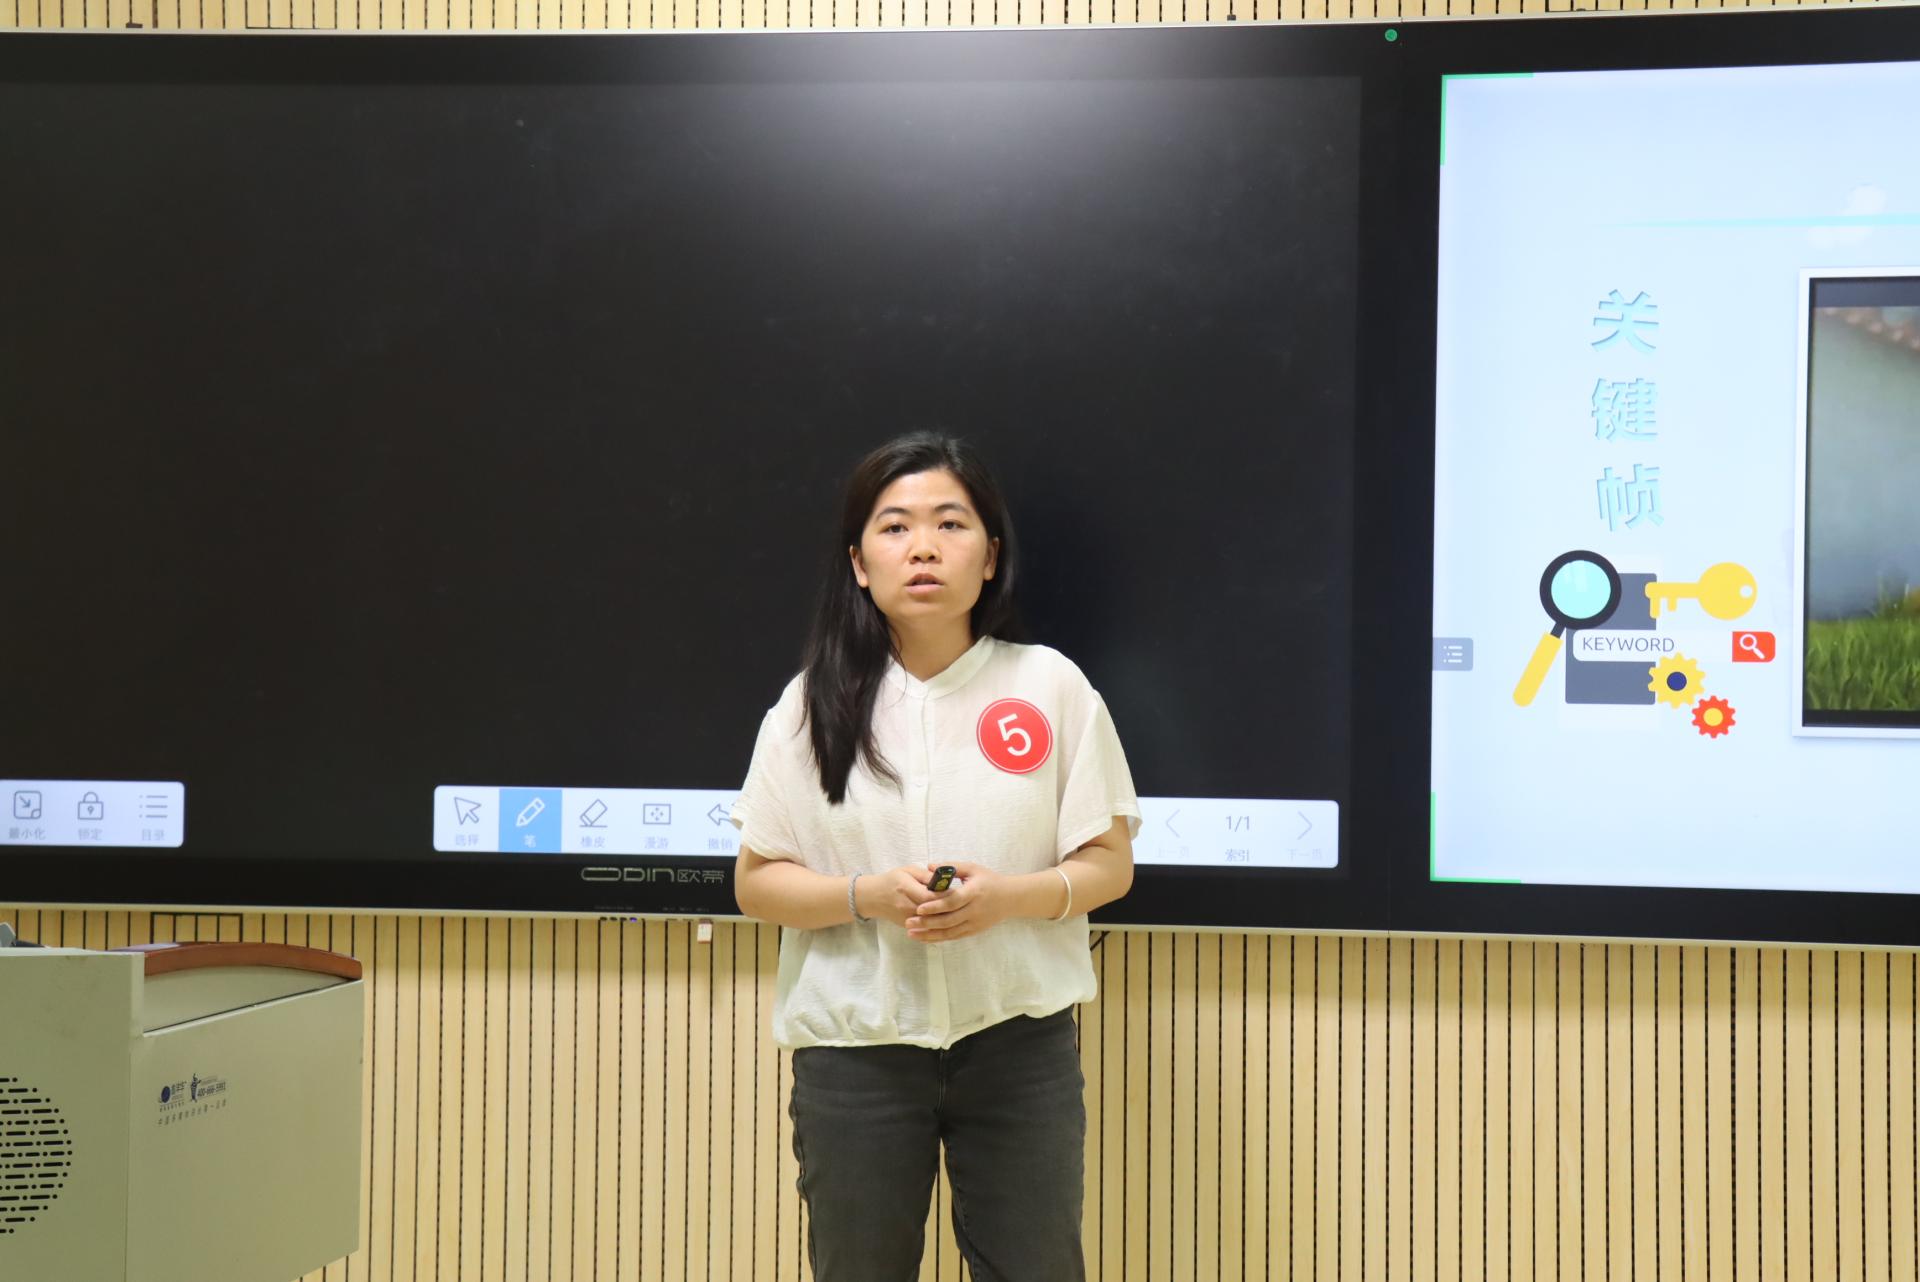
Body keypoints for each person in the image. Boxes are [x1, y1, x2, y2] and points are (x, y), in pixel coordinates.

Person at [729, 430, 1141, 1281]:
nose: (923, 547)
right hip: (857, 1053)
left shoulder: (1050, 685)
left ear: (990, 557)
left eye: (951, 524)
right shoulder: (809, 705)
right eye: (895, 527)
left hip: (1019, 1048)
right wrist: (869, 894)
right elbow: (758, 883)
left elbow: (1110, 863)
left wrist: (1008, 898)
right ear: (858, 563)